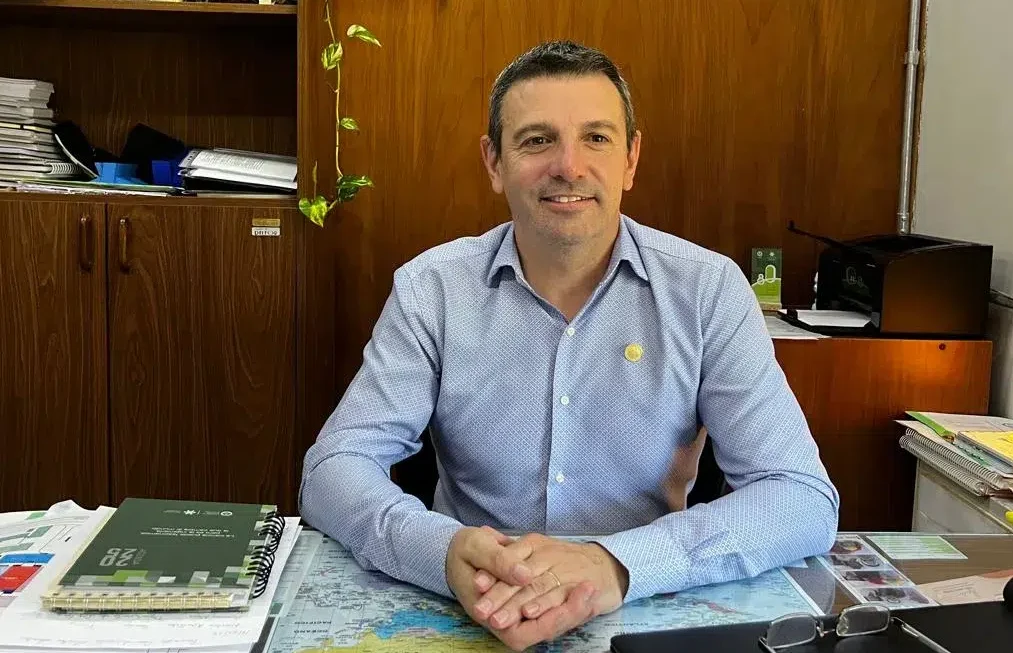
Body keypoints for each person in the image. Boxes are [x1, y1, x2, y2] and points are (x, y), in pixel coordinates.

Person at [300, 40, 839, 651]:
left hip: (638, 608)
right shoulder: (432, 290)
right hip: (474, 611)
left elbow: (800, 496)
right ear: (494, 162)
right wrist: (441, 550)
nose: (569, 166)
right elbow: (333, 468)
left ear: (631, 159)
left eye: (597, 138)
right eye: (537, 140)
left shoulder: (707, 290)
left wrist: (616, 564)